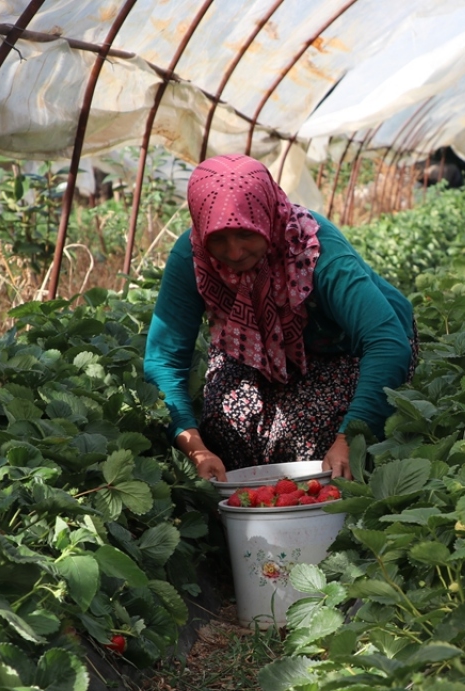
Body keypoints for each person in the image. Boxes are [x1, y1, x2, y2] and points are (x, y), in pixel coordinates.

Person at [144, 154, 416, 482]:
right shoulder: (193, 257)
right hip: (257, 347)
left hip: (346, 345)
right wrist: (196, 449)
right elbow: (164, 360)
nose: (234, 252)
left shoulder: (315, 252)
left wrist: (348, 438)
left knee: (311, 432)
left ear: (267, 218)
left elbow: (387, 344)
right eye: (218, 238)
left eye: (245, 233)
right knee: (226, 424)